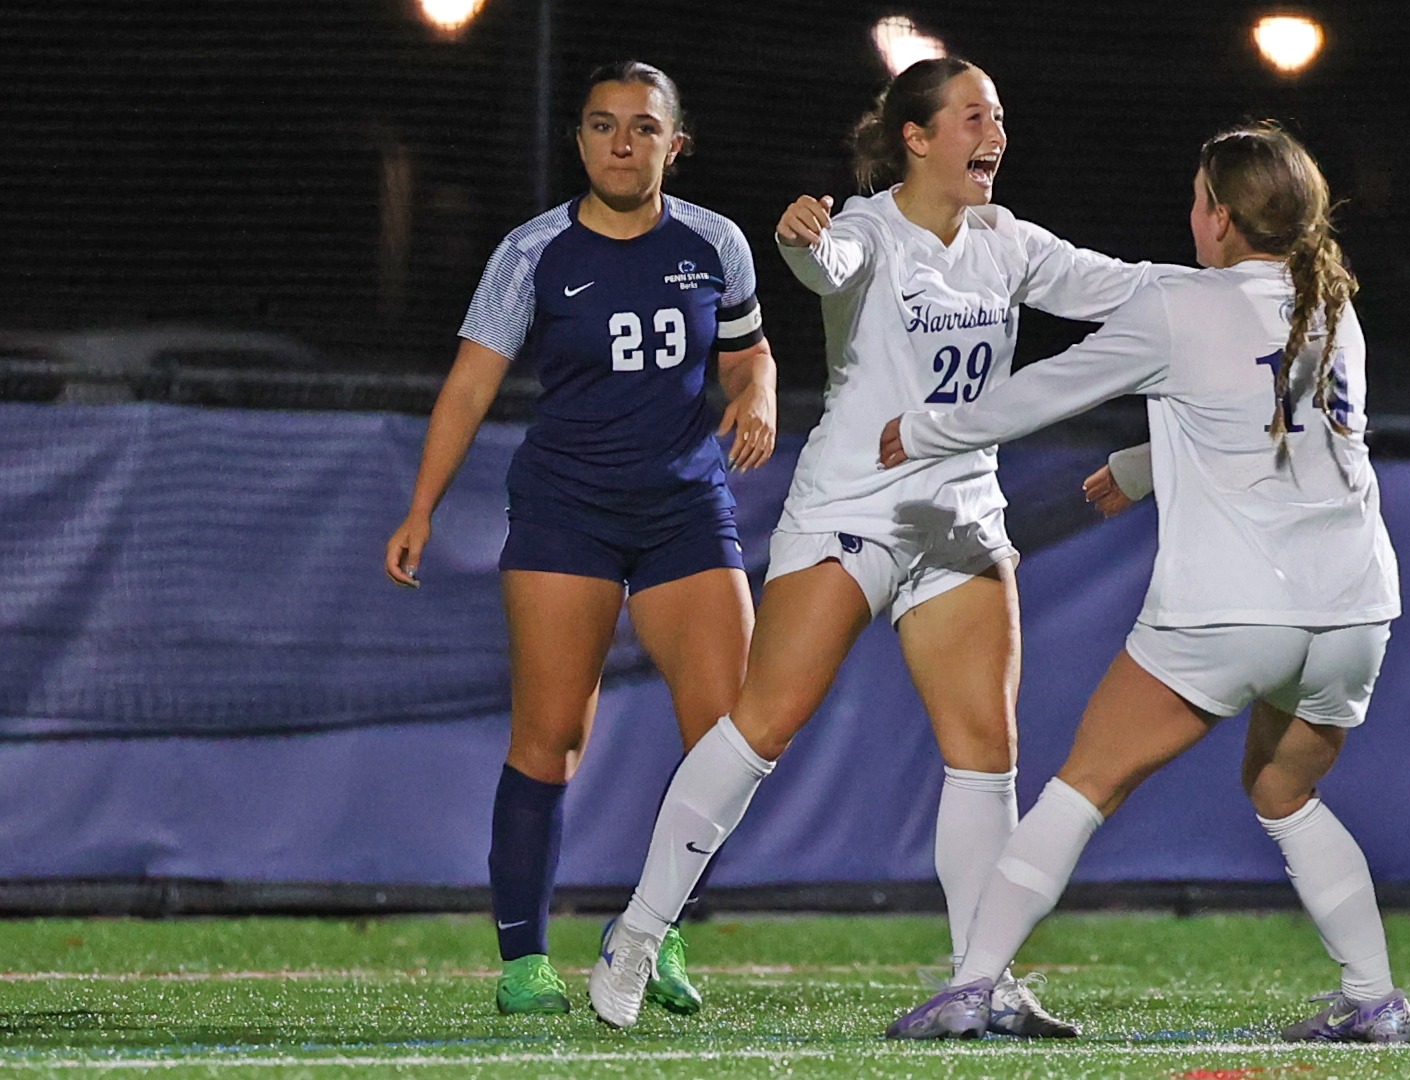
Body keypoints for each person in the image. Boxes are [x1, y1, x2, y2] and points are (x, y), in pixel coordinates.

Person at [587, 57, 1169, 1034]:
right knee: (762, 725)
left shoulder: (1006, 240)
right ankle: (640, 930)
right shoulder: (865, 228)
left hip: (961, 520)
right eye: (977, 116)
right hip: (855, 510)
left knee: (986, 755)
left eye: (1000, 115)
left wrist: (1240, 293)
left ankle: (979, 980)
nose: (998, 134)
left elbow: (1131, 287)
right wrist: (799, 238)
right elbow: (827, 265)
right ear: (918, 135)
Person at [877, 122, 1410, 1043]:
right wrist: (1145, 464)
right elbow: (1270, 420)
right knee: (1284, 794)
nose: (1191, 212)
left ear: (1222, 218)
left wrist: (927, 430)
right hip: (1357, 611)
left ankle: (971, 985)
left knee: (1084, 784)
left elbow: (1052, 387)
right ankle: (1374, 999)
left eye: (1200, 196)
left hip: (1234, 609)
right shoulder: (1331, 304)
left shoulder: (1183, 305)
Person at [384, 60, 777, 1017]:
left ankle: (652, 937)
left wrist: (757, 391)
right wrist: (421, 507)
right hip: (568, 516)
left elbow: (747, 350)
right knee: (552, 741)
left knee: (726, 744)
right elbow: (472, 383)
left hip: (687, 514)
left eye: (643, 127)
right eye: (602, 126)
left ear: (674, 144)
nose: (620, 143)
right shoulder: (533, 252)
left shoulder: (715, 242)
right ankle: (524, 961)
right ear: (580, 141)